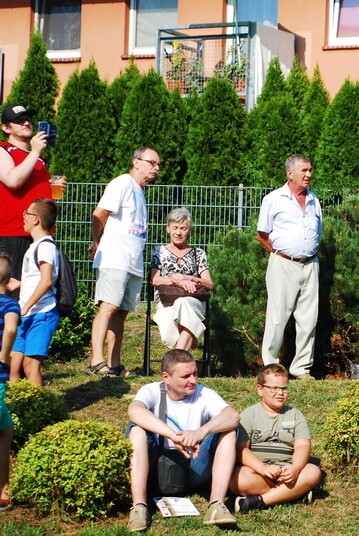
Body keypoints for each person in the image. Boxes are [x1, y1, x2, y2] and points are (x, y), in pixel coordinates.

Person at [126, 349, 239, 531]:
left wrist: (202, 431)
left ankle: (216, 505)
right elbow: (134, 411)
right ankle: (139, 507)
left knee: (229, 431)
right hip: (155, 467)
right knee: (136, 429)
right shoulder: (152, 391)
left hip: (192, 466)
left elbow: (233, 416)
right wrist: (173, 436)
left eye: (195, 373)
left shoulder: (203, 394)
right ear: (166, 377)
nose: (193, 380)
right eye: (186, 376)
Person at [88, 147, 161, 378]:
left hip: (132, 261)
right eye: (152, 162)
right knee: (108, 306)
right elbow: (99, 214)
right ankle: (96, 361)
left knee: (122, 313)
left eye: (158, 165)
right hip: (115, 258)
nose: (156, 168)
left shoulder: (140, 191)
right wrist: (97, 242)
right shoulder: (122, 183)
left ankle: (114, 363)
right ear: (136, 162)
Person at [257, 154, 322, 380]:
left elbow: (318, 234)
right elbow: (262, 235)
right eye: (304, 170)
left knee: (308, 319)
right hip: (283, 264)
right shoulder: (273, 199)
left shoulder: (315, 200)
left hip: (311, 265)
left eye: (310, 170)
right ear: (290, 173)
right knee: (277, 317)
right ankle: (270, 365)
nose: (309, 175)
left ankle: (301, 368)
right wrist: (280, 255)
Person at [230, 364, 322, 513]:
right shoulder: (248, 415)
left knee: (313, 472)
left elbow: (302, 446)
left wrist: (296, 468)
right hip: (258, 473)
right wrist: (262, 468)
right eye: (273, 388)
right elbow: (241, 449)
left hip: (288, 473)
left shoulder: (295, 415)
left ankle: (260, 501)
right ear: (260, 390)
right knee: (237, 480)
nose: (280, 393)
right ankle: (294, 494)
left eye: (284, 388)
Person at [0, 104, 66, 296]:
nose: (26, 123)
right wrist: (36, 151)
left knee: (28, 291)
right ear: (6, 128)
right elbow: (12, 180)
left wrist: (54, 190)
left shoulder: (36, 159)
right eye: (19, 121)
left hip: (37, 234)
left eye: (28, 119)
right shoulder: (4, 149)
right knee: (8, 293)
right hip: (13, 232)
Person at [9, 199, 61, 386]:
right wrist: (20, 283)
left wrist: (26, 307)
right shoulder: (35, 246)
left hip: (41, 314)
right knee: (14, 363)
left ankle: (38, 409)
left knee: (30, 365)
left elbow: (47, 280)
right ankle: (17, 407)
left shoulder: (45, 246)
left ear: (36, 220)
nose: (23, 217)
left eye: (26, 214)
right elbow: (39, 277)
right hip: (27, 313)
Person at [151, 208, 213, 351]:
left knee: (183, 303)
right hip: (167, 302)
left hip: (194, 301)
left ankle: (177, 357)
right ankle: (182, 356)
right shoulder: (159, 251)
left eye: (183, 228)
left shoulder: (199, 253)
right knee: (181, 304)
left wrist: (187, 277)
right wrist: (178, 281)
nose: (178, 232)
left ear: (189, 231)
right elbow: (155, 280)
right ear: (168, 229)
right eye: (175, 228)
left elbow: (209, 283)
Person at [0, 253, 19, 512]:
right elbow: (12, 328)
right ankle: (2, 489)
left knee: (6, 428)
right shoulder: (9, 305)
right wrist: (4, 355)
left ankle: (4, 487)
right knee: (4, 431)